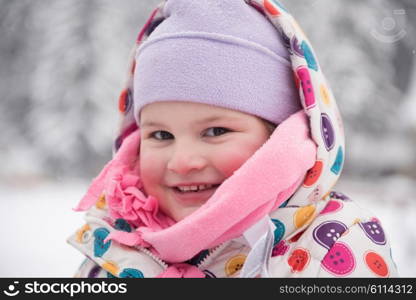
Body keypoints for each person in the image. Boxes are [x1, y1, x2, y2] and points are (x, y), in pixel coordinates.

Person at [67, 0, 398, 278]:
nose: (182, 161)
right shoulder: (114, 246)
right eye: (161, 135)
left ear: (277, 135)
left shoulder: (334, 245)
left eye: (215, 131)